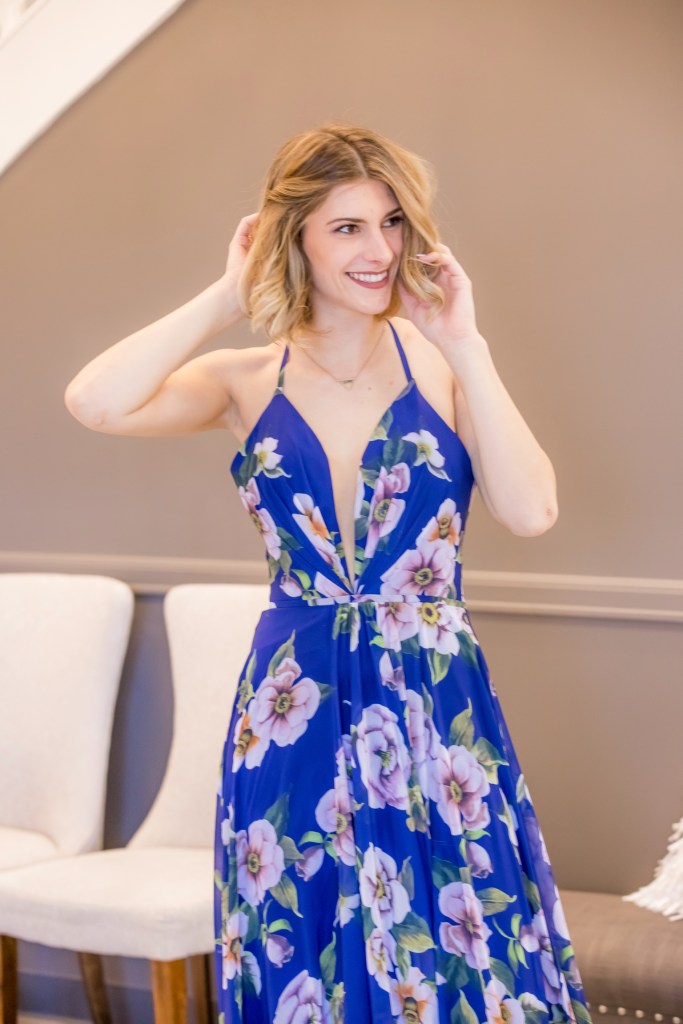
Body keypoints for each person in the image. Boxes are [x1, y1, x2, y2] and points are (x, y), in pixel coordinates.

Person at [65, 122, 592, 1024]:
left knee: (462, 960)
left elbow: (531, 509)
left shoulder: (442, 367)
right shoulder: (245, 380)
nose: (378, 249)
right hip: (293, 710)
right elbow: (95, 401)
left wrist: (467, 345)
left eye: (391, 222)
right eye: (346, 227)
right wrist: (225, 295)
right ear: (296, 236)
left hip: (432, 708)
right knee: (304, 951)